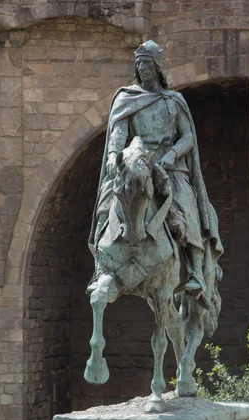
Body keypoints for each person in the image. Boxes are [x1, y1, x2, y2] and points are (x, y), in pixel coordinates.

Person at [88, 40, 223, 298]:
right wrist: (114, 155)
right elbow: (118, 132)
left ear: (158, 67)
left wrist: (172, 155)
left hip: (168, 166)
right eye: (139, 64)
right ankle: (99, 266)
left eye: (147, 64)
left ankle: (195, 271)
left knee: (186, 204)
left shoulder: (173, 100)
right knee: (107, 202)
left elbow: (188, 137)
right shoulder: (127, 98)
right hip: (134, 161)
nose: (143, 69)